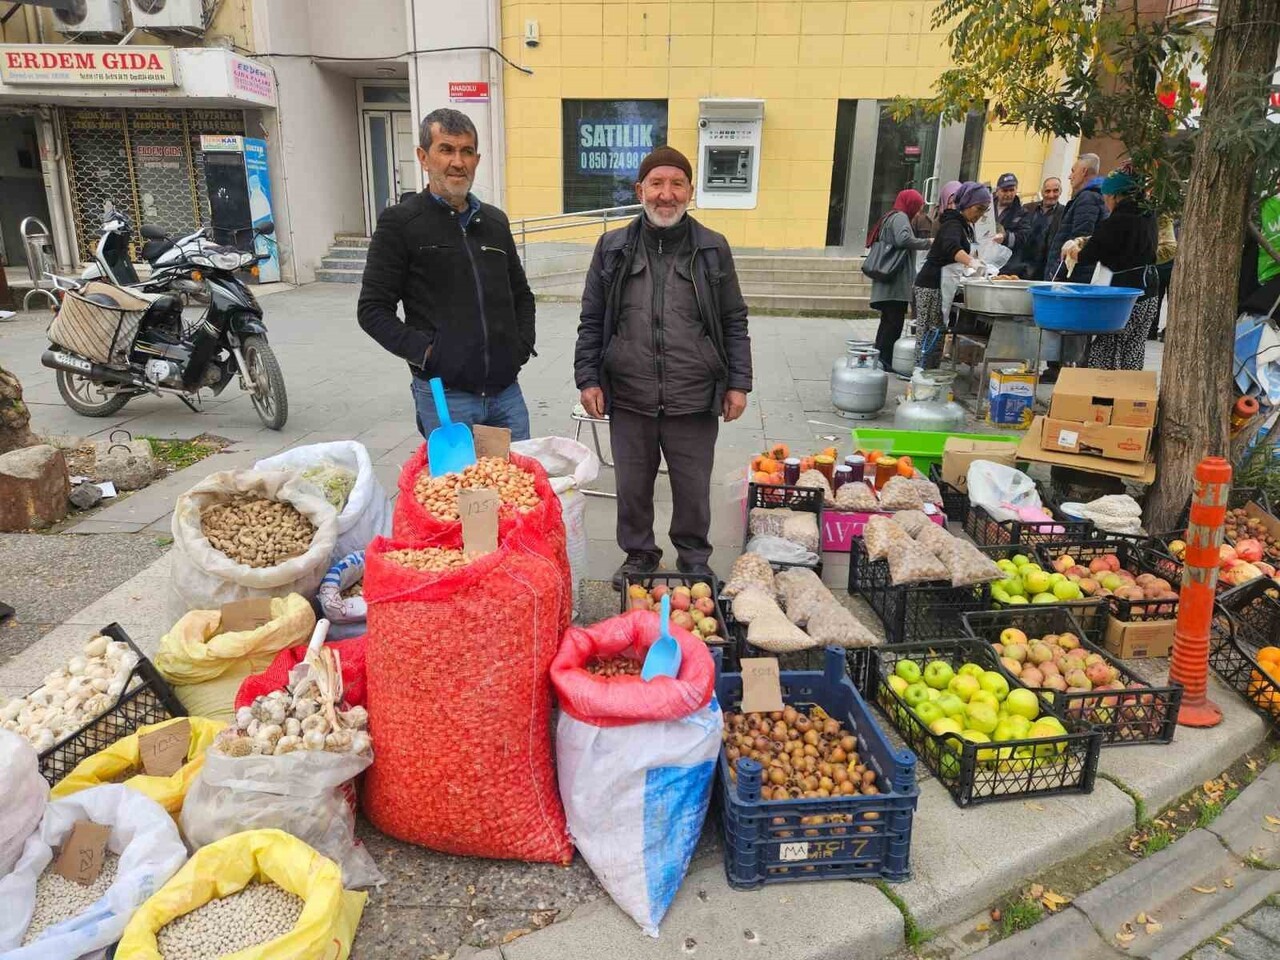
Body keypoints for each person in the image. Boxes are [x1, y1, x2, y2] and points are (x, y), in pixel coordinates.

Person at [574, 146, 752, 587]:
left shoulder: (712, 248)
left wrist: (738, 383)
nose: (666, 194)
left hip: (693, 393)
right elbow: (592, 318)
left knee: (693, 487)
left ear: (690, 191)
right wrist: (588, 377)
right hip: (630, 392)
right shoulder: (612, 247)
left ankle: (694, 557)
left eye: (676, 184)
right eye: (657, 184)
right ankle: (639, 555)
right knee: (632, 486)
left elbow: (734, 318)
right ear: (640, 190)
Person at [357, 107, 536, 441]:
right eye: (446, 149)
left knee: (516, 488)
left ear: (477, 159)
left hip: (506, 395)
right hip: (445, 395)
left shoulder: (495, 223)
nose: (458, 161)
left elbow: (521, 295)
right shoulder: (401, 223)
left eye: (466, 151)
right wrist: (428, 354)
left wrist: (521, 346)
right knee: (456, 491)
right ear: (423, 157)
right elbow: (372, 310)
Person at [1066, 170, 1158, 370]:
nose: (1106, 203)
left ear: (1115, 196)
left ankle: (1104, 392)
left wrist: (1073, 251)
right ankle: (1129, 391)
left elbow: (1089, 255)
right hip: (1150, 290)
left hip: (1124, 294)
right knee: (1134, 345)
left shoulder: (1116, 221)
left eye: (1106, 197)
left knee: (1107, 346)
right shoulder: (1148, 214)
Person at [911, 181, 991, 370]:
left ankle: (931, 376)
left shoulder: (963, 225)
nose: (980, 214)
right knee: (928, 334)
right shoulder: (953, 224)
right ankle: (919, 379)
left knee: (937, 333)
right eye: (979, 208)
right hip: (931, 284)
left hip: (940, 284)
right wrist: (972, 262)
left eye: (984, 210)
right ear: (967, 203)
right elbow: (951, 248)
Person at [868, 189, 932, 366]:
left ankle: (880, 358)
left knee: (887, 322)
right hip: (895, 282)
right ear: (910, 203)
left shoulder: (892, 216)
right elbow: (903, 240)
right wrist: (928, 242)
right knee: (894, 323)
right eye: (918, 207)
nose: (918, 212)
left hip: (889, 280)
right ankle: (886, 360)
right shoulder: (900, 217)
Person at [1046, 153, 1107, 282]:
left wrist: (1057, 272)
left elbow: (1079, 239)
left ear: (1084, 171)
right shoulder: (1094, 197)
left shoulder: (1088, 198)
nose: (1070, 176)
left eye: (1073, 171)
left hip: (1073, 277)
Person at [1024, 177, 1065, 281]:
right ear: (1042, 192)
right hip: (1024, 265)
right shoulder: (1027, 208)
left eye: (1055, 191)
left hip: (1047, 267)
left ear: (1060, 191)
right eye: (1047, 191)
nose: (1051, 195)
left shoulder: (1065, 212)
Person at [992, 173, 1030, 275]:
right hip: (985, 261)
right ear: (997, 191)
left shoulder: (1022, 213)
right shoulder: (986, 208)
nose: (1008, 194)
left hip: (1009, 267)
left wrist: (1005, 238)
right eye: (1005, 190)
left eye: (1012, 190)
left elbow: (1023, 237)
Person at [1148, 214, 1177, 339]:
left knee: (1157, 298)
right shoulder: (1169, 220)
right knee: (1171, 300)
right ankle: (1166, 331)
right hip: (1170, 263)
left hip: (1161, 263)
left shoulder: (1160, 218)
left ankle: (1153, 330)